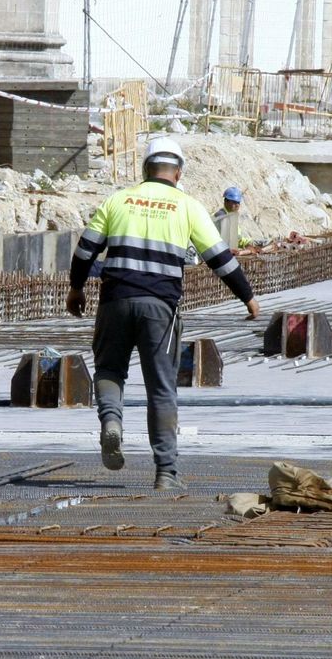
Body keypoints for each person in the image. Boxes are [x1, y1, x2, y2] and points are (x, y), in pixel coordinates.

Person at [67, 137, 259, 490]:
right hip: (160, 307)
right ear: (179, 172)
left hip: (115, 300)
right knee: (161, 387)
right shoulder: (187, 206)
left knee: (110, 369)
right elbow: (220, 259)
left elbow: (84, 252)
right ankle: (166, 473)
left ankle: (112, 421)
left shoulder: (118, 199)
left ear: (145, 169)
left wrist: (76, 288)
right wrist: (247, 297)